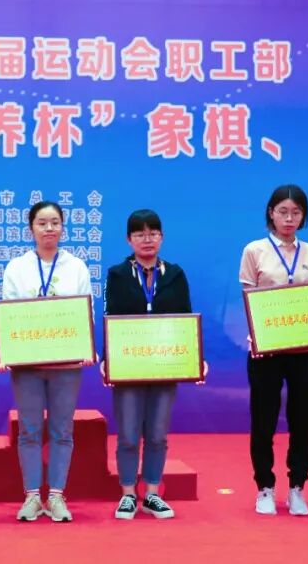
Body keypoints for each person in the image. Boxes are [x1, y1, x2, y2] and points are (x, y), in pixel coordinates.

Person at [239, 185, 308, 517]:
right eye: (282, 212)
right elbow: (248, 298)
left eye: (296, 213)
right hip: (266, 351)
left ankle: (298, 487)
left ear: (303, 216)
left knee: (302, 420)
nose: (289, 218)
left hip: (304, 350)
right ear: (271, 213)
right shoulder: (254, 250)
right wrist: (258, 338)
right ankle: (265, 487)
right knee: (264, 420)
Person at [1, 200, 93, 522]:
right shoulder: (16, 267)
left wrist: (86, 347)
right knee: (29, 430)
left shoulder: (77, 267)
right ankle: (30, 497)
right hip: (27, 365)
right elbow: (8, 312)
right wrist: (6, 352)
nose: (49, 228)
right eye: (42, 223)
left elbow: (85, 310)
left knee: (62, 430)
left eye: (55, 222)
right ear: (31, 229)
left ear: (63, 227)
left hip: (66, 365)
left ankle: (55, 496)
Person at [104, 209, 197, 520]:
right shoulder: (117, 274)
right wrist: (107, 359)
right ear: (129, 239)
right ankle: (128, 494)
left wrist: (194, 357)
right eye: (140, 234)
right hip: (128, 366)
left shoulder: (175, 274)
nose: (147, 239)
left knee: (157, 434)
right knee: (129, 434)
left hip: (164, 365)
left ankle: (153, 493)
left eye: (153, 233)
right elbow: (111, 318)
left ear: (162, 237)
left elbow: (186, 319)